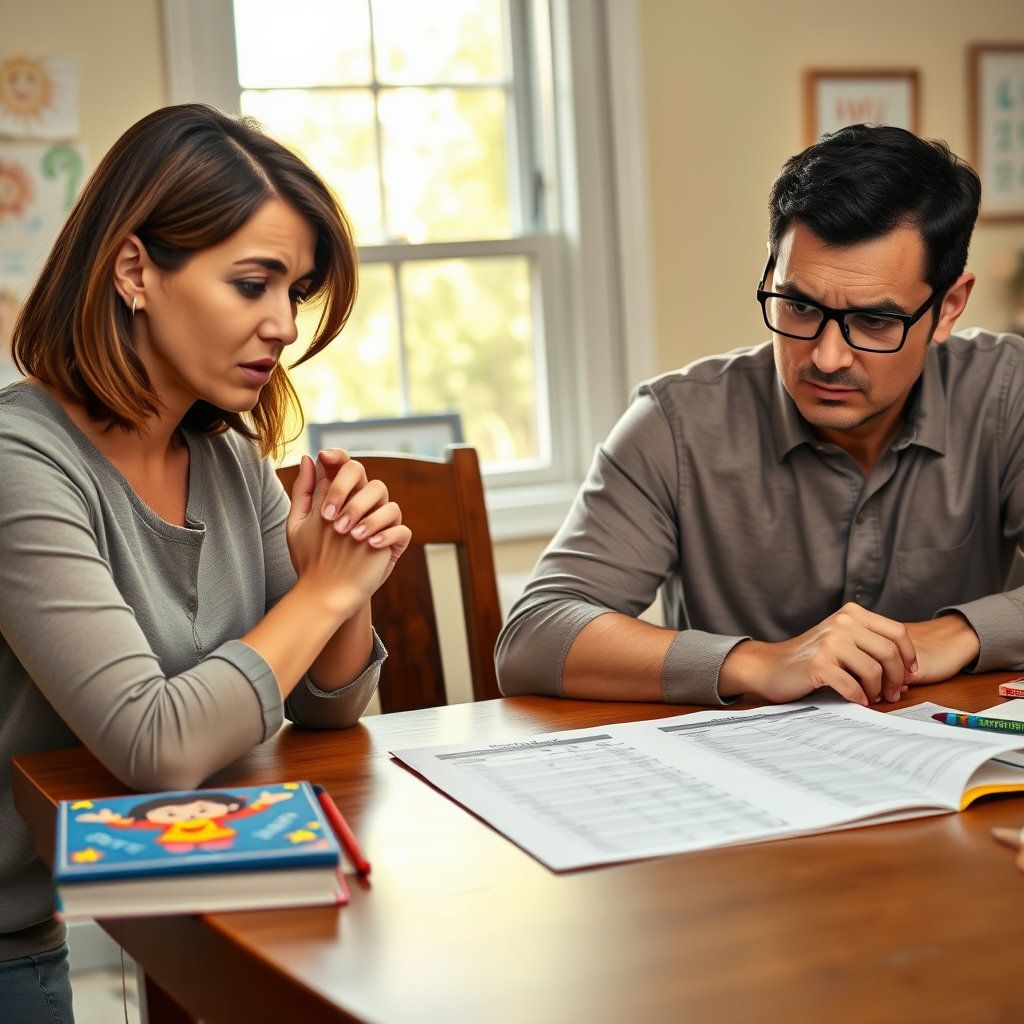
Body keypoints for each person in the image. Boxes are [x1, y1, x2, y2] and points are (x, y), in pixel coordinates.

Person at [0, 103, 411, 1022]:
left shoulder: (224, 459)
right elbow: (157, 745)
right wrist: (323, 589)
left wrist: (346, 581)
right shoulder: (19, 464)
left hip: (132, 898)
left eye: (294, 293)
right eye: (252, 283)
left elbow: (327, 705)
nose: (281, 325)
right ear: (136, 270)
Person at [497, 123, 1024, 713]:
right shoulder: (674, 423)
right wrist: (761, 662)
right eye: (798, 306)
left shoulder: (1008, 392)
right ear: (772, 274)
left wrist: (958, 634)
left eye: (875, 322)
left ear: (948, 307)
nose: (826, 357)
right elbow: (532, 638)